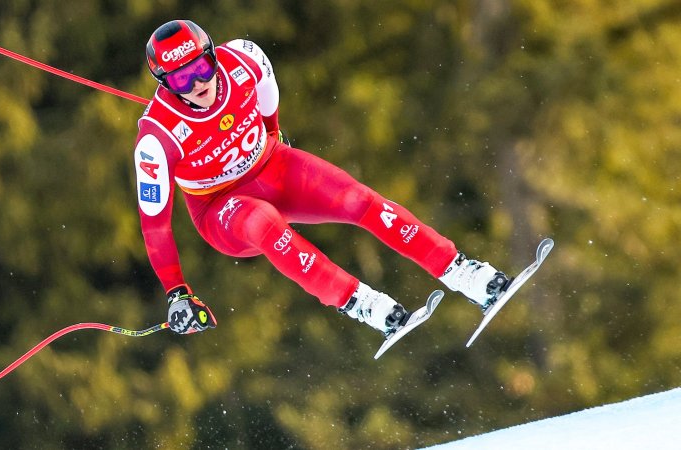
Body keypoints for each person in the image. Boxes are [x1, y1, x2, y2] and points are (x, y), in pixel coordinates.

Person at [134, 20, 510, 337]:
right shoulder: (155, 139)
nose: (199, 83)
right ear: (166, 84)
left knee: (359, 200)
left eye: (202, 67)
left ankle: (465, 274)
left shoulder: (243, 58)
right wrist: (177, 292)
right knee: (264, 223)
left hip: (272, 166)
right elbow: (155, 226)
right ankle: (362, 303)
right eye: (183, 79)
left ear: (213, 55)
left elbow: (268, 95)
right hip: (221, 209)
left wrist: (272, 133)